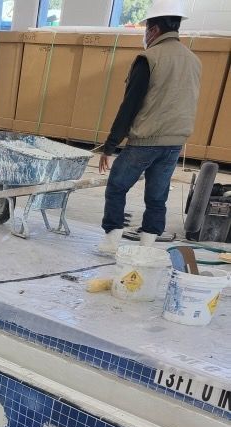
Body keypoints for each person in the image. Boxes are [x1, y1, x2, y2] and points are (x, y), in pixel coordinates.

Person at [96, 0, 201, 255]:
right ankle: (146, 248)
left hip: (145, 141)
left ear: (153, 30)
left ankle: (111, 242)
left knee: (117, 186)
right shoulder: (194, 60)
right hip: (174, 142)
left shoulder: (149, 58)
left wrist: (110, 146)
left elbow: (129, 106)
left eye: (146, 29)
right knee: (157, 195)